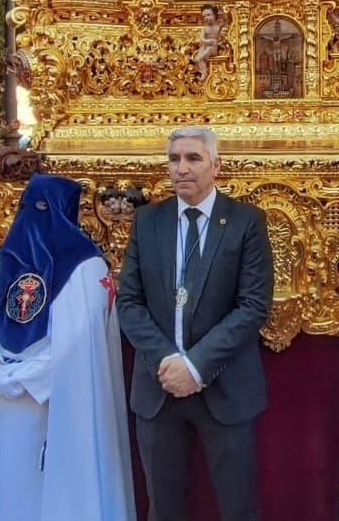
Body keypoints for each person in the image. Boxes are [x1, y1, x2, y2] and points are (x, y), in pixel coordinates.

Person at [0, 173, 135, 521]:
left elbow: (79, 341)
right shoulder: (3, 260)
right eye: (30, 206)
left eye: (44, 208)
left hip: (48, 403)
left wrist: (27, 377)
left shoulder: (85, 267)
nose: (35, 215)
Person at [118, 126, 273, 521]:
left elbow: (253, 306)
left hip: (225, 389)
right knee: (164, 508)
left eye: (193, 158)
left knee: (239, 507)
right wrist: (169, 361)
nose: (181, 169)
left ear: (216, 165)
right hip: (160, 387)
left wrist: (196, 364)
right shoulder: (147, 222)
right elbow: (130, 303)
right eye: (174, 159)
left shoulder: (245, 222)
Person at [195, 5, 228, 81]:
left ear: (215, 15)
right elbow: (202, 38)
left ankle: (202, 62)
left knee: (204, 53)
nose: (206, 18)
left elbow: (226, 20)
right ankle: (204, 72)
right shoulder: (205, 28)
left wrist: (223, 11)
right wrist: (208, 41)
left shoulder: (218, 26)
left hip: (213, 48)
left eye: (208, 15)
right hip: (204, 46)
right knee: (199, 59)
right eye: (204, 16)